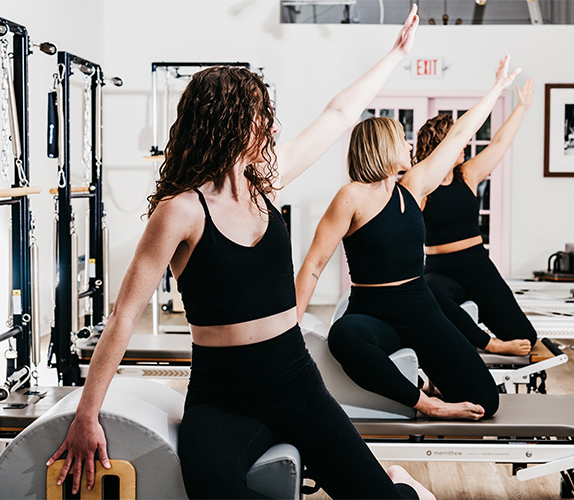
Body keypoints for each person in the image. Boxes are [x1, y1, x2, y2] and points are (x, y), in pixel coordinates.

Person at [46, 7, 435, 499]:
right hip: (222, 399)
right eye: (261, 120)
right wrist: (86, 414)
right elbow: (124, 314)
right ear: (228, 123)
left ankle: (400, 486)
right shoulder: (181, 210)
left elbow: (338, 115)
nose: (271, 131)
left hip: (296, 383)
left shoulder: (265, 185)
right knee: (214, 489)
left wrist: (396, 55)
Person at [296, 56, 521, 420]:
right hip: (372, 312)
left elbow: (459, 134)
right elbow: (313, 266)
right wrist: (290, 332)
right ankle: (425, 401)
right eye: (402, 138)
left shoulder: (412, 187)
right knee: (344, 337)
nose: (410, 144)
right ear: (383, 146)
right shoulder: (350, 196)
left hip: (420, 307)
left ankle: (434, 381)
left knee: (486, 402)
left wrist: (496, 90)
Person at [416, 78, 537, 356]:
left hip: (477, 266)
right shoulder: (422, 183)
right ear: (441, 143)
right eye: (458, 139)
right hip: (440, 270)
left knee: (525, 338)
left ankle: (477, 321)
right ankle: (486, 343)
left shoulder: (468, 174)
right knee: (430, 290)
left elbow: (499, 143)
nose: (464, 144)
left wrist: (521, 107)